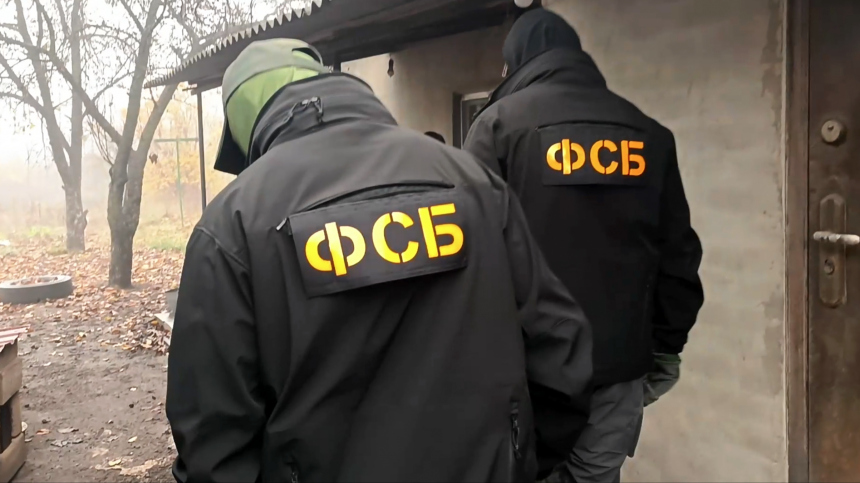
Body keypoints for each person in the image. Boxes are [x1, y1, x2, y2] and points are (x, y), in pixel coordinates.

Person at [166, 38, 594, 482]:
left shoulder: (233, 225)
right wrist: (516, 460)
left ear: (245, 123)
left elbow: (214, 443)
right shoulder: (474, 183)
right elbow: (559, 348)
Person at [464, 9, 705, 483]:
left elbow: (472, 257)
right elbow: (677, 255)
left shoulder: (497, 128)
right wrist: (667, 348)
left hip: (527, 376)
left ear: (516, 63)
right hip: (617, 370)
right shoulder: (647, 133)